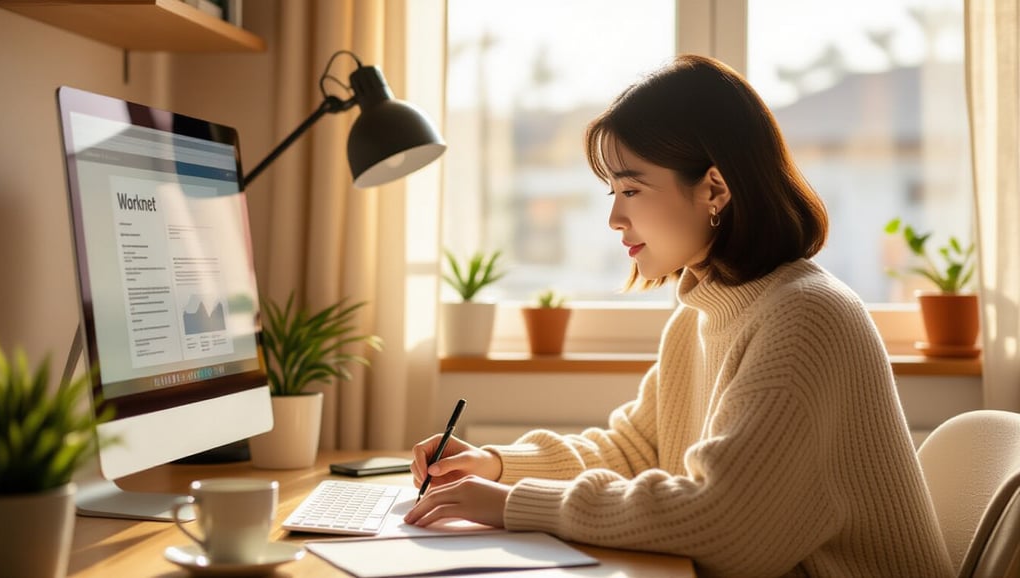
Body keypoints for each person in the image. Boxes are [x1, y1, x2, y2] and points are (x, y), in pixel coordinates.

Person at [405, 54, 954, 578]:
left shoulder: (807, 317)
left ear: (714, 188)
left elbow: (727, 527)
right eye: (613, 192)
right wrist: (496, 466)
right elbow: (635, 452)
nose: (615, 217)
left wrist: (514, 504)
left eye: (632, 189)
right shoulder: (701, 315)